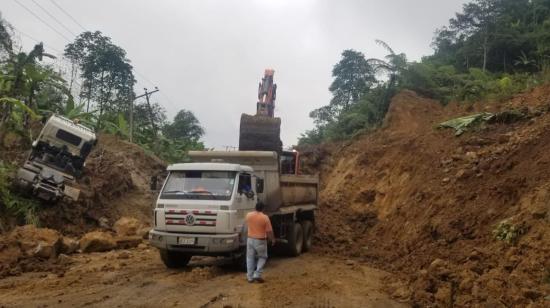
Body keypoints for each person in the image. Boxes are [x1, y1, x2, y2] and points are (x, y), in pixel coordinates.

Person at [245, 202, 275, 283]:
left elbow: (247, 224)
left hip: (250, 239)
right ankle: (257, 274)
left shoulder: (248, 215)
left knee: (250, 258)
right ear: (263, 209)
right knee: (263, 257)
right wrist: (272, 239)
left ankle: (250, 277)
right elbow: (269, 231)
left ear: (255, 207)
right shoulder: (265, 218)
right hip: (260, 240)